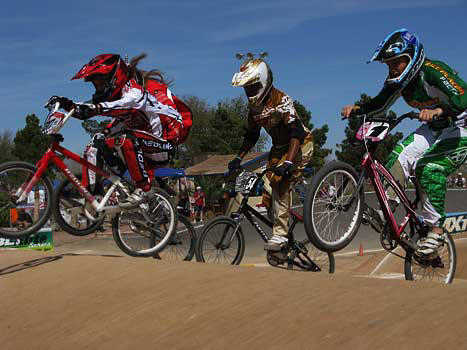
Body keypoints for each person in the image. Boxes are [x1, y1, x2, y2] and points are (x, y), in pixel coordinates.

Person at [341, 29, 467, 257]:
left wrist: (439, 109)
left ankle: (436, 230)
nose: (392, 69)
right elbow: (380, 102)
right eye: (388, 64)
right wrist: (357, 109)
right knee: (399, 155)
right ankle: (387, 211)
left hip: (461, 127)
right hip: (435, 127)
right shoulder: (400, 82)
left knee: (429, 168)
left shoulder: (433, 71)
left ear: (412, 57)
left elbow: (464, 95)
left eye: (396, 63)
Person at [60, 54, 184, 209]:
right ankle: (97, 193)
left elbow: (121, 104)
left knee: (127, 138)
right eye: (94, 84)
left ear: (113, 78)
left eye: (99, 83)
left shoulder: (134, 92)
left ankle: (144, 189)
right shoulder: (118, 98)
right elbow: (86, 110)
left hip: (163, 147)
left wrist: (95, 108)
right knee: (97, 140)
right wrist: (67, 104)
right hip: (143, 148)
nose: (97, 88)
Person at [228, 54, 313, 252]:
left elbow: (297, 132)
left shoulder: (282, 100)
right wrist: (238, 158)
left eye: (253, 87)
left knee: (280, 182)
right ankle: (284, 231)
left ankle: (281, 235)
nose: (249, 92)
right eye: (246, 88)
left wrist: (289, 163)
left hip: (299, 144)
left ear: (264, 82)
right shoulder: (254, 109)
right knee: (267, 191)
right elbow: (251, 136)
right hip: (278, 147)